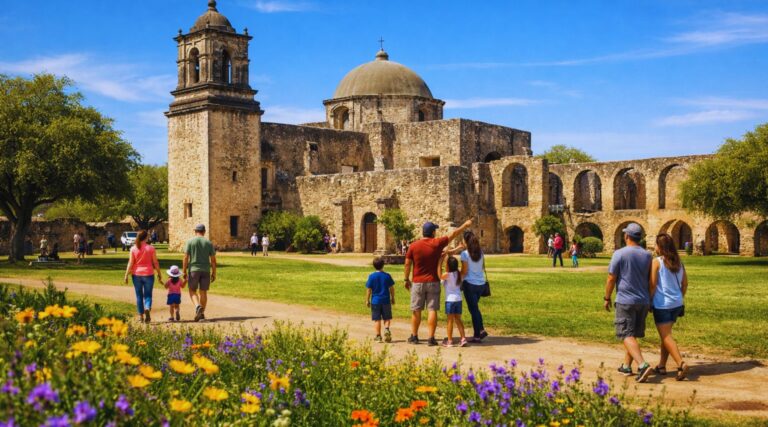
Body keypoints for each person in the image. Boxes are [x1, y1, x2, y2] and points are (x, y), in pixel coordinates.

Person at [404, 219, 472, 346]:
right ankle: (431, 338)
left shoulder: (414, 245)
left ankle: (414, 336)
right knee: (432, 310)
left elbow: (407, 263)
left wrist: (406, 279)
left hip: (418, 281)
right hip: (433, 281)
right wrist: (465, 225)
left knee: (416, 310)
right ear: (433, 232)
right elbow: (454, 234)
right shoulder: (437, 243)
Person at [603, 223, 653, 383]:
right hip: (643, 300)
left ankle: (642, 364)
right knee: (632, 334)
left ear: (626, 236)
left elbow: (612, 277)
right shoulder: (647, 255)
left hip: (625, 300)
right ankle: (626, 366)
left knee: (625, 334)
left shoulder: (620, 253)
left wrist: (606, 297)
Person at [650, 233, 689, 381]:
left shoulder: (657, 262)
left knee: (666, 336)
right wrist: (679, 297)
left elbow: (653, 284)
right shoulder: (679, 262)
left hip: (662, 304)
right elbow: (685, 284)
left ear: (660, 247)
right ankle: (661, 365)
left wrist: (649, 300)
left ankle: (681, 363)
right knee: (665, 336)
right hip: (677, 304)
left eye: (656, 244)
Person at [124, 230, 163, 323]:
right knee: (148, 294)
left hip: (136, 274)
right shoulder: (151, 248)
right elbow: (155, 262)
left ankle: (141, 316)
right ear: (146, 237)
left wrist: (126, 275)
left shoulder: (133, 248)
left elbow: (130, 263)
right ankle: (147, 308)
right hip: (149, 274)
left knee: (139, 295)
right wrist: (159, 273)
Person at [458, 230, 490, 343]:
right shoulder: (480, 252)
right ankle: (478, 334)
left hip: (470, 284)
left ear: (465, 241)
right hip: (480, 284)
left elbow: (464, 271)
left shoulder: (465, 254)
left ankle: (480, 331)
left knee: (474, 309)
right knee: (474, 308)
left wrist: (458, 280)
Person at [183, 224, 217, 322]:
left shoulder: (190, 242)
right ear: (204, 231)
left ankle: (198, 306)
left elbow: (185, 257)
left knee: (192, 290)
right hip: (206, 269)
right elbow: (213, 260)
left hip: (193, 269)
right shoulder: (208, 243)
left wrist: (184, 270)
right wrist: (214, 273)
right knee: (203, 292)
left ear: (195, 231)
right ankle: (201, 315)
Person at [439, 254, 467, 347]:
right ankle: (463, 338)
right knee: (458, 319)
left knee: (450, 321)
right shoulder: (459, 274)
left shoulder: (447, 275)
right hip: (458, 300)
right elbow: (463, 270)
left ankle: (450, 341)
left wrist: (439, 263)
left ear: (448, 266)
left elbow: (439, 276)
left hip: (450, 300)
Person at [366, 257, 395, 343]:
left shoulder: (371, 276)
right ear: (383, 265)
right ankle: (386, 329)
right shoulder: (387, 276)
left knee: (377, 319)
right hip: (386, 300)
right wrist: (392, 298)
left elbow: (369, 289)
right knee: (387, 317)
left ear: (374, 266)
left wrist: (367, 300)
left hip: (375, 301)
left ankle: (378, 336)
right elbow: (391, 288)